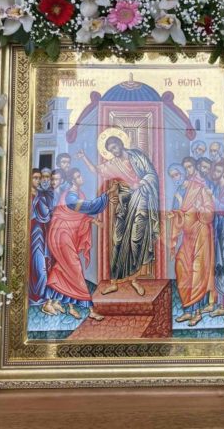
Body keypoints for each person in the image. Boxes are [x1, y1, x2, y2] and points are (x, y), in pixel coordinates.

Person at [78, 135, 160, 297]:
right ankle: (114, 282)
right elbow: (96, 170)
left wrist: (140, 183)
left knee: (136, 240)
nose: (114, 151)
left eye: (115, 147)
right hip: (124, 203)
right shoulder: (113, 164)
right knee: (117, 241)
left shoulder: (136, 156)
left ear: (121, 144)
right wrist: (84, 158)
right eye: (110, 150)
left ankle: (134, 279)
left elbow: (151, 174)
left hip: (141, 199)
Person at [43, 168, 117, 321]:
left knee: (63, 268)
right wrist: (107, 194)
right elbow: (88, 207)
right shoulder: (70, 196)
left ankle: (53, 303)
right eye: (77, 176)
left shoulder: (79, 194)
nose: (81, 178)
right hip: (61, 234)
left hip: (68, 234)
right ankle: (90, 309)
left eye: (80, 175)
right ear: (72, 180)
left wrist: (93, 220)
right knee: (75, 268)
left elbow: (78, 215)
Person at [168, 158, 215, 326]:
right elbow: (178, 216)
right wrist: (175, 215)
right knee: (182, 268)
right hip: (188, 237)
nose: (175, 178)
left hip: (201, 234)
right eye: (172, 176)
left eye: (177, 174)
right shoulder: (178, 193)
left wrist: (200, 208)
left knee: (197, 271)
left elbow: (209, 212)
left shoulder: (199, 188)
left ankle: (197, 313)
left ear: (183, 173)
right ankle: (187, 310)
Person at [29, 168, 53, 306]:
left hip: (40, 233)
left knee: (40, 264)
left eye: (39, 178)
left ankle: (40, 294)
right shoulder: (27, 195)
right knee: (32, 264)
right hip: (30, 232)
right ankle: (33, 296)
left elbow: (46, 214)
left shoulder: (41, 195)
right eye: (35, 178)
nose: (38, 181)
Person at [210, 160, 224, 317]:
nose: (215, 174)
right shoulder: (217, 188)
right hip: (218, 226)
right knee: (219, 264)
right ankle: (221, 305)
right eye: (214, 171)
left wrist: (212, 199)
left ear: (223, 172)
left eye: (218, 171)